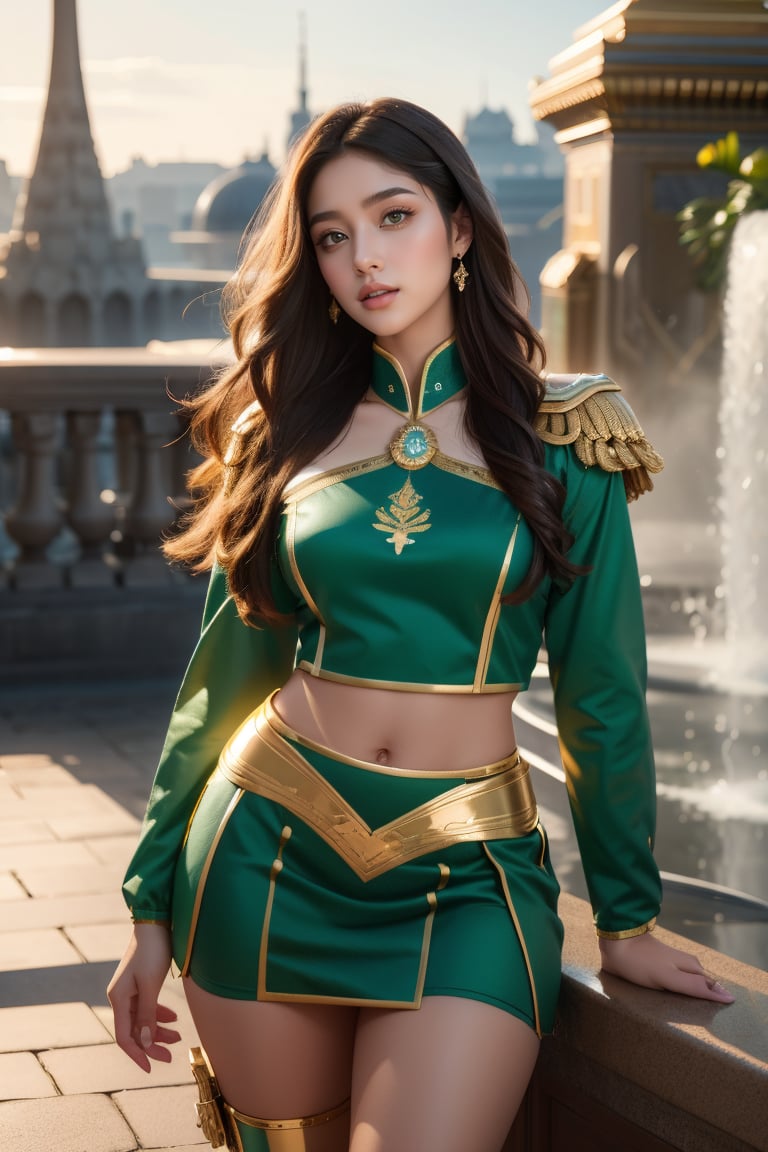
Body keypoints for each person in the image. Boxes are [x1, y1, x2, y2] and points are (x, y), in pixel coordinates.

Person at [107, 98, 734, 1152]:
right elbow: (222, 677)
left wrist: (625, 919)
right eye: (333, 236)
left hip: (468, 874)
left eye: (393, 216)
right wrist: (148, 904)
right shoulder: (286, 431)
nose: (364, 260)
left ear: (458, 227)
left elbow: (602, 696)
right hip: (265, 847)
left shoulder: (568, 437)